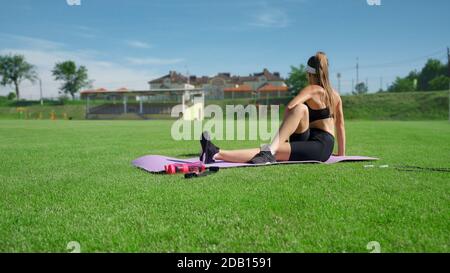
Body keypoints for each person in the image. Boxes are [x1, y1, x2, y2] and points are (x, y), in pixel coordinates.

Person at [200, 51, 346, 164]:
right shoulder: (336, 96)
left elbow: (290, 107)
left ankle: (216, 153)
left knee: (298, 109)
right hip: (312, 140)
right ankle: (270, 150)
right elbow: (340, 126)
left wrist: (282, 136)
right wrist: (341, 154)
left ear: (309, 73)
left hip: (319, 146)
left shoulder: (312, 89)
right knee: (302, 109)